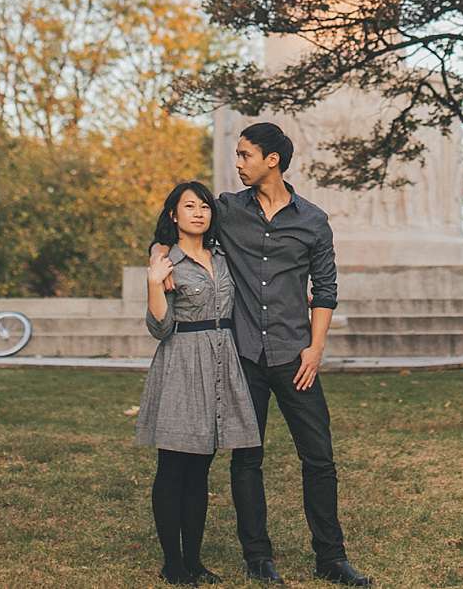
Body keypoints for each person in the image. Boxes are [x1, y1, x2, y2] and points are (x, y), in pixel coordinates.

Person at [153, 125, 371, 584]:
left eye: (245, 155)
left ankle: (331, 559)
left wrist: (316, 348)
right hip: (243, 357)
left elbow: (326, 289)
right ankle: (258, 558)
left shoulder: (312, 220)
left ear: (272, 160)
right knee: (246, 460)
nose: (238, 163)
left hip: (297, 357)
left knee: (319, 459)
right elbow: (176, 217)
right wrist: (161, 257)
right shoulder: (228, 209)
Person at [136, 180, 260, 584]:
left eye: (204, 206)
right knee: (173, 466)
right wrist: (156, 279)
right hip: (182, 362)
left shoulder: (223, 257)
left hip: (222, 362)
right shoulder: (166, 262)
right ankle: (172, 562)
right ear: (174, 215)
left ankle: (195, 560)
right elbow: (160, 326)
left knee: (201, 468)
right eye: (189, 206)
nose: (198, 212)